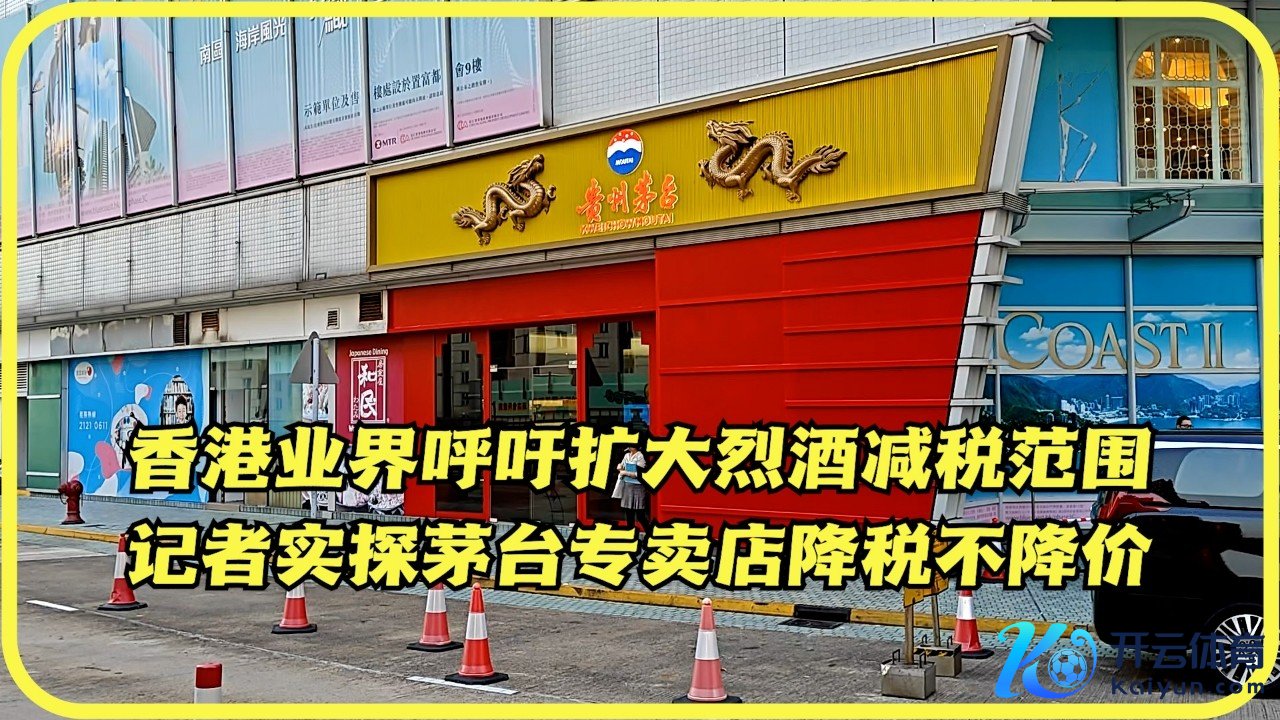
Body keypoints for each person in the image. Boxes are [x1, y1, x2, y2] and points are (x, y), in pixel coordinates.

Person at [613, 445, 648, 534]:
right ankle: (631, 532)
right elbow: (622, 466)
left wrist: (625, 472)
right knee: (629, 512)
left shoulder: (640, 456)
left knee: (640, 514)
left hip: (638, 486)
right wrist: (620, 467)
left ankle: (649, 532)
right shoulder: (626, 455)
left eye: (631, 446)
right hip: (627, 485)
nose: (629, 448)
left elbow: (638, 473)